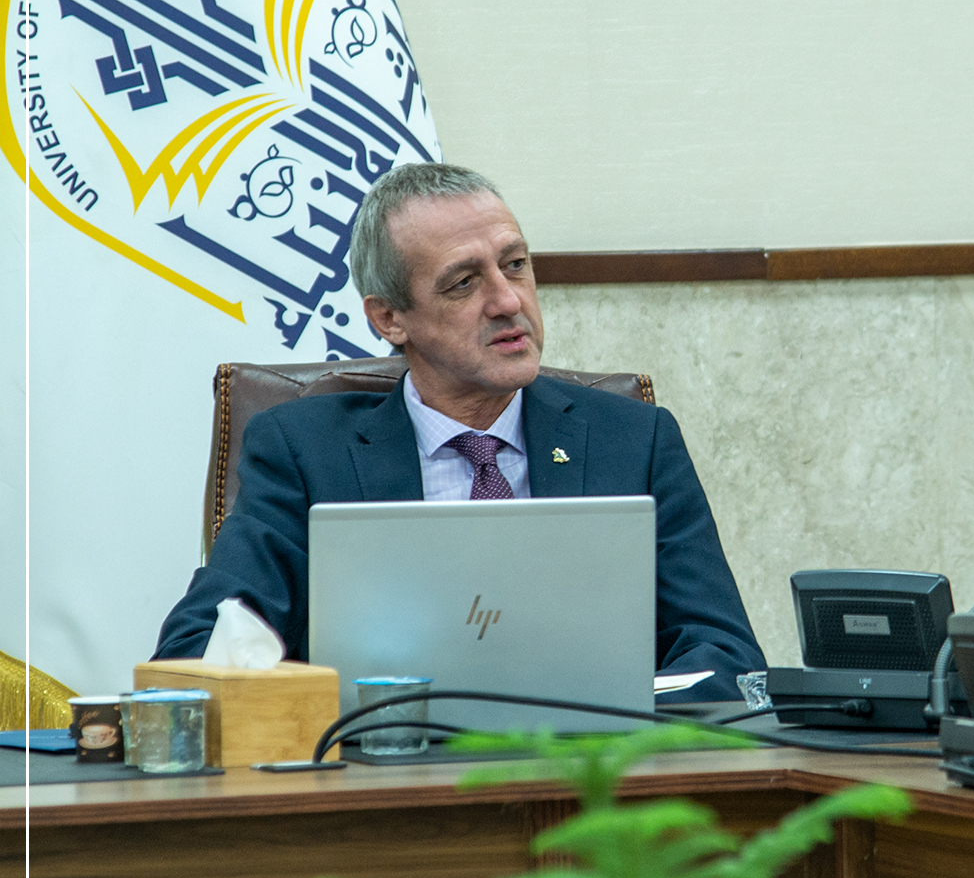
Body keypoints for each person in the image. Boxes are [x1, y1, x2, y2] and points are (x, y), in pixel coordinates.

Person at [155, 162, 764, 704]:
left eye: (515, 265)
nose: (507, 301)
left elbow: (726, 655)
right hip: (382, 771)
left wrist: (615, 716)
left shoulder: (633, 440)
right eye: (464, 282)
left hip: (589, 772)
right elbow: (197, 652)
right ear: (389, 318)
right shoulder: (305, 452)